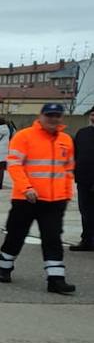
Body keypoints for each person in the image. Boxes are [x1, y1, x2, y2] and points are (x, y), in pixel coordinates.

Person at [0, 103, 76, 294]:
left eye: (57, 115)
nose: (53, 119)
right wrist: (27, 188)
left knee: (52, 238)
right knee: (16, 235)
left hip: (55, 200)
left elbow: (68, 170)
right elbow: (14, 165)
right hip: (26, 199)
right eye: (49, 115)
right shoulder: (24, 136)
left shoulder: (66, 140)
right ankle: (5, 266)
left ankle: (56, 279)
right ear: (40, 116)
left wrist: (66, 195)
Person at [72, 108, 94, 252]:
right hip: (83, 179)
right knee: (85, 211)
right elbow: (75, 154)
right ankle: (86, 240)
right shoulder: (82, 133)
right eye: (92, 114)